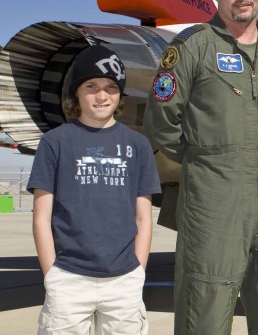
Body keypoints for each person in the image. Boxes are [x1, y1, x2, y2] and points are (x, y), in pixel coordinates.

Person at [143, 0, 258, 335]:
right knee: (206, 307)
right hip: (213, 205)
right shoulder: (193, 46)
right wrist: (208, 160)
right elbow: (161, 122)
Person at [29, 45, 161, 334]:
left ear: (120, 94)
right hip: (68, 279)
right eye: (91, 86)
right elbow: (41, 216)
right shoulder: (55, 142)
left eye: (111, 87)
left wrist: (138, 271)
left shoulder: (138, 145)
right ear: (76, 92)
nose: (102, 96)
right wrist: (52, 275)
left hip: (124, 281)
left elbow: (143, 216)